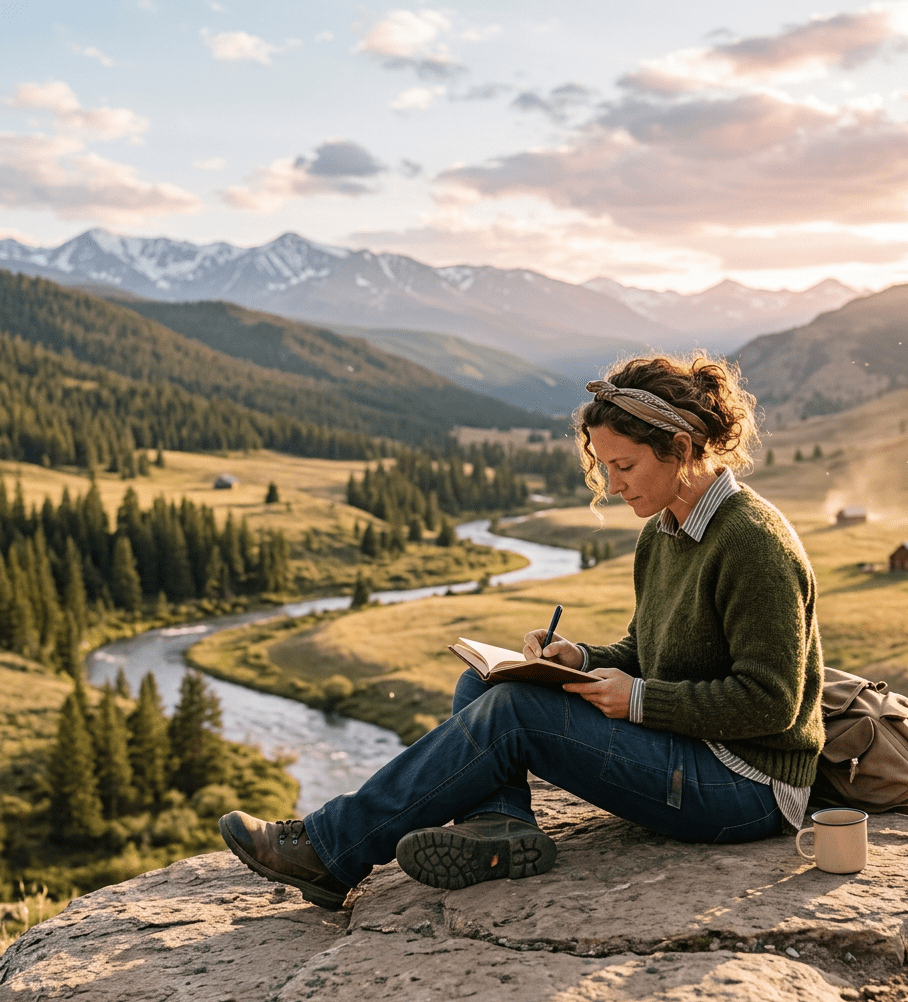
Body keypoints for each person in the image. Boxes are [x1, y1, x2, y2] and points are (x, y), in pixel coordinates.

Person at [219, 353, 825, 911]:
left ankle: (330, 850)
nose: (613, 485)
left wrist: (639, 700)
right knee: (482, 686)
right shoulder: (664, 532)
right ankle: (500, 829)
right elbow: (646, 652)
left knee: (514, 713)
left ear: (682, 448)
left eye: (624, 465)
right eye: (605, 466)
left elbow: (772, 703)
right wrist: (579, 658)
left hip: (747, 787)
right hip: (691, 755)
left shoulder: (752, 542)